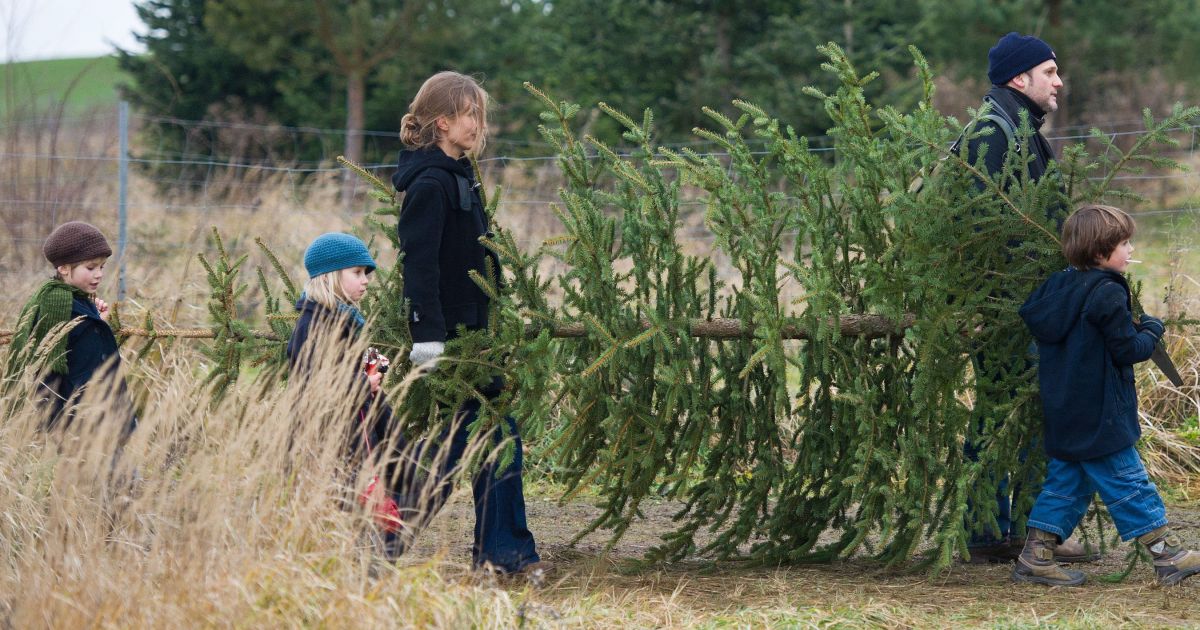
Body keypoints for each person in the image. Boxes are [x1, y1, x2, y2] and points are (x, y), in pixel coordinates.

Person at [391, 71, 541, 575]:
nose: (480, 124)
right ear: (442, 121)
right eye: (470, 114)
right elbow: (420, 263)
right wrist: (427, 337)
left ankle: (503, 553)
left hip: (479, 335)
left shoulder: (461, 174)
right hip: (452, 340)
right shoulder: (431, 183)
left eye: (481, 114)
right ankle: (386, 536)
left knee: (495, 439)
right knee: (454, 447)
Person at [960, 32, 1096, 564]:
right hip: (1006, 307)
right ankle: (989, 532)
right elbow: (986, 226)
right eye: (1049, 71)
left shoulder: (1018, 129)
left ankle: (1019, 530)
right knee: (999, 412)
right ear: (1020, 78)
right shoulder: (993, 134)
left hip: (1029, 302)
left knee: (1028, 412)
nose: (1059, 81)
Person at [1015, 204, 1200, 586]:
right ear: (1100, 252)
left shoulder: (1058, 287)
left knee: (1067, 482)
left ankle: (1036, 556)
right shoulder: (1107, 292)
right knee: (1128, 479)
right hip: (1101, 411)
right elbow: (1127, 350)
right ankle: (1168, 556)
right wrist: (1152, 330)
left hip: (1065, 408)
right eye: (1124, 243)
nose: (1131, 249)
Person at [285, 232, 408, 557]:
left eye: (366, 273)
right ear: (329, 276)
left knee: (388, 496)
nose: (365, 280)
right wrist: (361, 383)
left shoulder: (343, 320)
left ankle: (376, 566)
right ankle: (353, 571)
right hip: (330, 441)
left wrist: (371, 366)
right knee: (344, 508)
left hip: (359, 434)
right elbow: (318, 382)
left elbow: (345, 367)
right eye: (356, 272)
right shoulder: (313, 326)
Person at [7, 221, 134, 437]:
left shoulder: (75, 300)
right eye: (91, 268)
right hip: (79, 416)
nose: (99, 274)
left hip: (95, 410)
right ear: (64, 268)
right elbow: (55, 366)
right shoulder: (57, 306)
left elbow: (86, 342)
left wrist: (97, 318)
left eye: (102, 267)